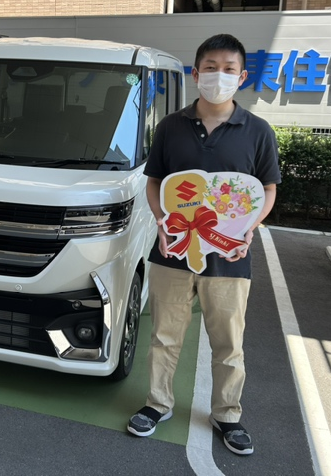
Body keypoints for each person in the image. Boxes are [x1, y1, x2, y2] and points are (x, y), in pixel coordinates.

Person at [127, 33, 281, 456]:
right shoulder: (171, 127)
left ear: (242, 77)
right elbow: (155, 182)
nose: (219, 76)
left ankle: (227, 414)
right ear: (195, 74)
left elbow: (267, 189)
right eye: (211, 68)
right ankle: (157, 404)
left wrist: (250, 226)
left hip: (230, 254)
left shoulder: (257, 131)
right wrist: (162, 221)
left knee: (228, 343)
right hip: (173, 250)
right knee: (164, 336)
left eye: (229, 69)